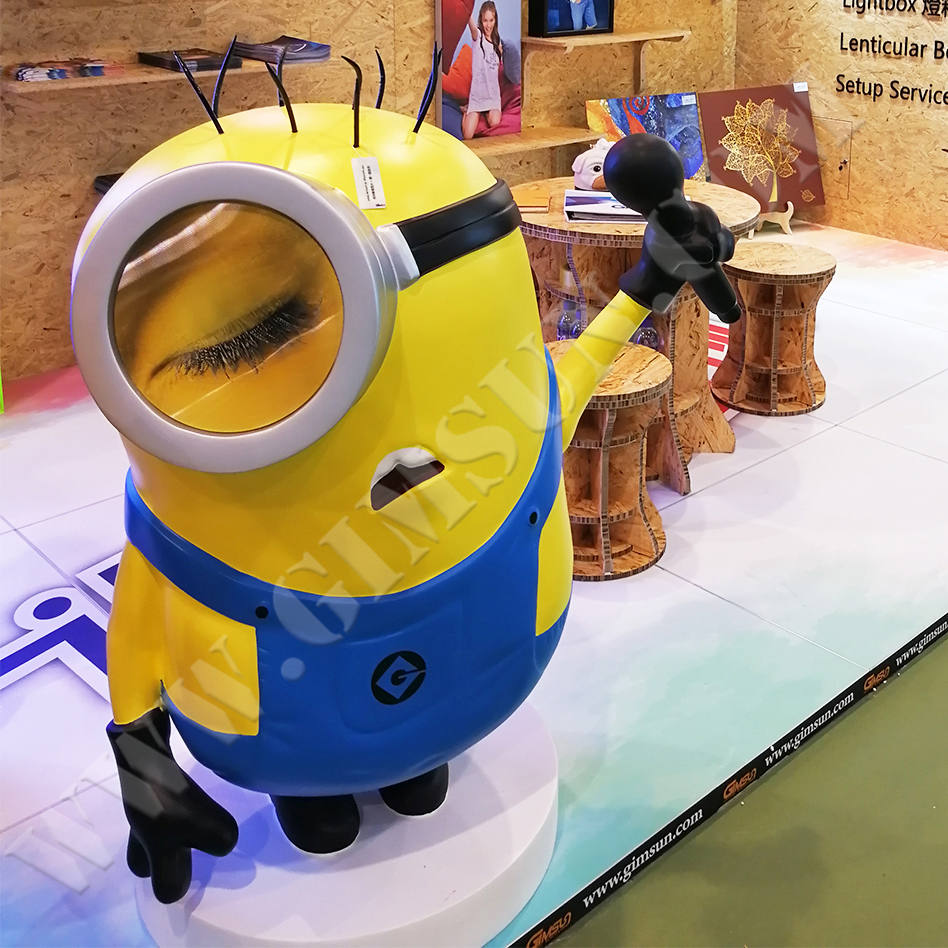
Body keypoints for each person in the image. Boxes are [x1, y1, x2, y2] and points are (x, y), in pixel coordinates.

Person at [462, 1, 503, 140]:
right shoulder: (478, 36)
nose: (488, 25)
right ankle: (466, 111)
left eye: (491, 20)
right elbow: (471, 25)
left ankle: (485, 112)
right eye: (485, 20)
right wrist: (465, 6)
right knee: (468, 136)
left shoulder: (497, 42)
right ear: (481, 19)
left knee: (495, 122)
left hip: (492, 96)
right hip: (477, 96)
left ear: (495, 20)